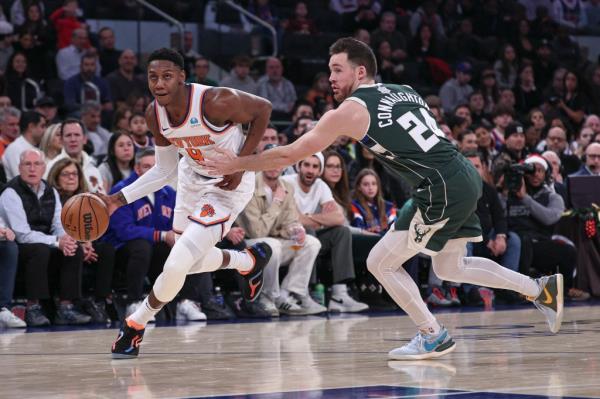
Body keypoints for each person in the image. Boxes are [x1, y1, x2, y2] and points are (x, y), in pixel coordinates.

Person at [202, 37, 564, 360]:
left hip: (439, 184)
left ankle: (432, 334)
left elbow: (291, 154)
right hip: (460, 175)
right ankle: (539, 289)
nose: (331, 78)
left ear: (360, 72)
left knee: (380, 262)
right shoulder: (404, 89)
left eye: (337, 70)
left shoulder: (350, 110)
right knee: (449, 267)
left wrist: (237, 162)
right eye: (330, 70)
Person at [102, 48, 273, 359]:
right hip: (190, 180)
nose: (159, 83)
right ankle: (246, 261)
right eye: (153, 77)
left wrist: (242, 163)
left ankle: (135, 325)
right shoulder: (155, 114)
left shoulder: (216, 101)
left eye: (167, 76)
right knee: (187, 263)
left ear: (182, 77)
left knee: (177, 263)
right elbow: (163, 169)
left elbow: (263, 109)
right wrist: (116, 199)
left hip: (226, 185)